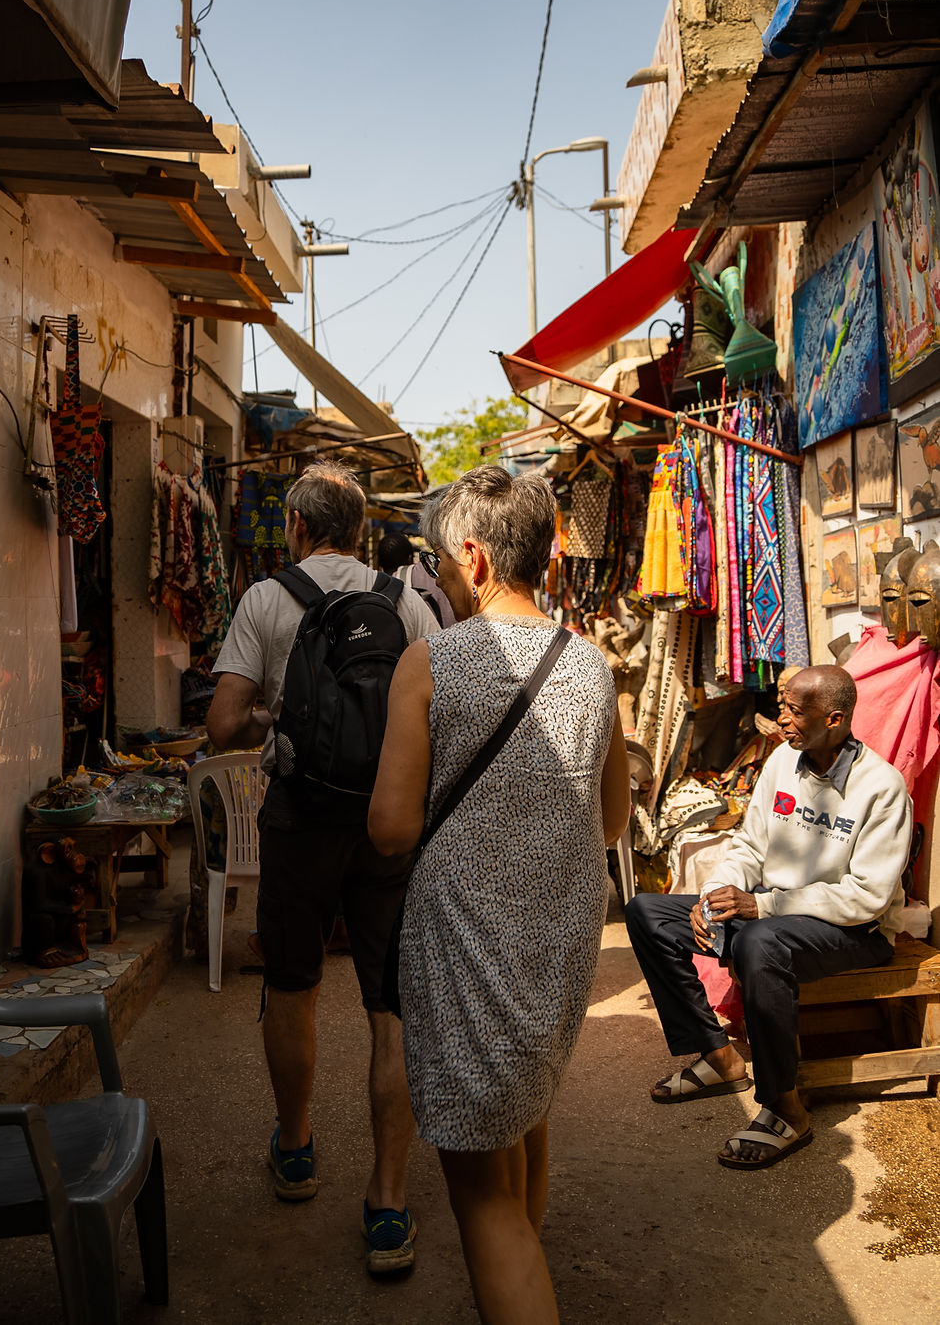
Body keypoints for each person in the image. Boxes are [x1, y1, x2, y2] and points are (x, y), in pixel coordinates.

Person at [368, 465, 631, 1325]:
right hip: (558, 932)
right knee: (526, 1109)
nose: (438, 577)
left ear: (476, 557)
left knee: (481, 1196)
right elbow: (614, 818)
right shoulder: (593, 667)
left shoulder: (431, 660)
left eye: (442, 562)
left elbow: (391, 828)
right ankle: (520, 1277)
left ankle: (516, 1284)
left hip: (465, 938)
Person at [206, 460, 438, 1274]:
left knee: (294, 982)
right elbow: (438, 710)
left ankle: (297, 1149)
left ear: (297, 528)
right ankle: (387, 1200)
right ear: (362, 529)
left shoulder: (266, 599)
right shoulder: (405, 600)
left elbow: (223, 724)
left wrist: (280, 711)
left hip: (300, 816)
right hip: (389, 822)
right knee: (390, 1001)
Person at [625, 664, 912, 1171]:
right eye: (783, 707)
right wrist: (714, 893)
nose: (783, 720)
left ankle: (785, 1106)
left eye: (795, 712)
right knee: (647, 913)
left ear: (836, 718)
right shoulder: (783, 761)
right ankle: (718, 1057)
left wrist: (764, 905)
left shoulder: (882, 787)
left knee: (759, 942)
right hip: (773, 916)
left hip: (854, 931)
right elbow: (749, 846)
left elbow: (867, 897)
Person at [376, 528, 455, 627]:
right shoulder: (430, 573)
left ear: (380, 563)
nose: (438, 582)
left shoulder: (376, 592)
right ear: (410, 558)